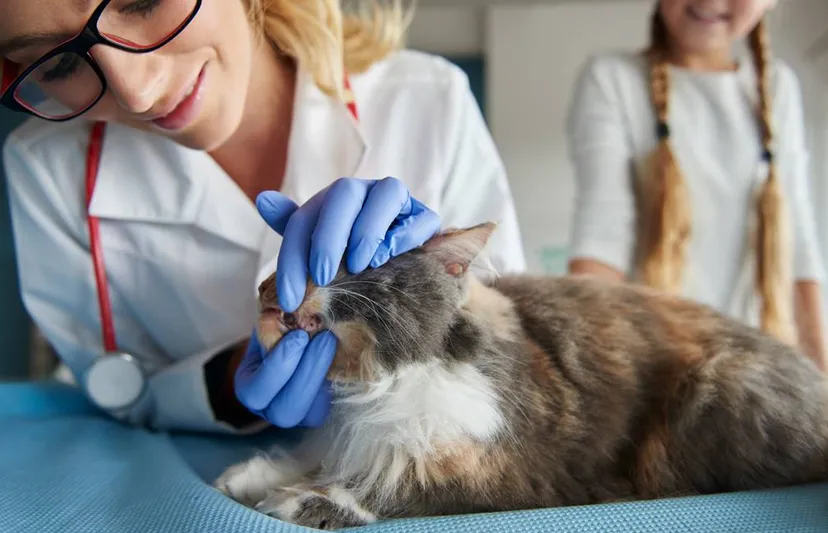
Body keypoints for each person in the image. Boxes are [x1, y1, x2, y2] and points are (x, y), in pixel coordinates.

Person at [0, 0, 526, 434]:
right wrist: (227, 381)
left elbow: (512, 345)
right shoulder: (45, 168)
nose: (137, 92)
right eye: (59, 64)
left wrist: (432, 270)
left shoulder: (430, 98)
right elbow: (114, 387)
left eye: (142, 3)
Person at [565, 0, 828, 369]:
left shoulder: (778, 87)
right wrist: (587, 367)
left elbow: (799, 243)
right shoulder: (612, 79)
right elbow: (603, 236)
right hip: (660, 368)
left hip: (764, 370)